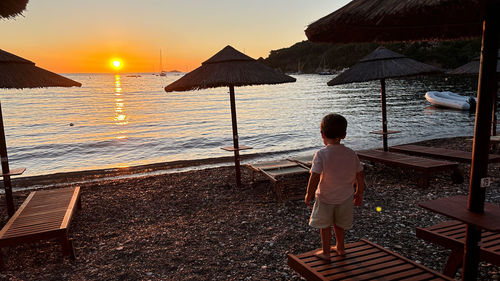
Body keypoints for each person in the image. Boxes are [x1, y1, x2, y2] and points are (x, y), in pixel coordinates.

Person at [304, 113, 364, 260]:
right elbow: (360, 175)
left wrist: (308, 194)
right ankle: (340, 247)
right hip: (346, 197)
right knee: (339, 224)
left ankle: (325, 252)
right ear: (344, 134)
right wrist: (359, 192)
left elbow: (315, 176)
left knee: (325, 225)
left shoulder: (321, 154)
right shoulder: (351, 153)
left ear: (322, 134)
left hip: (325, 197)